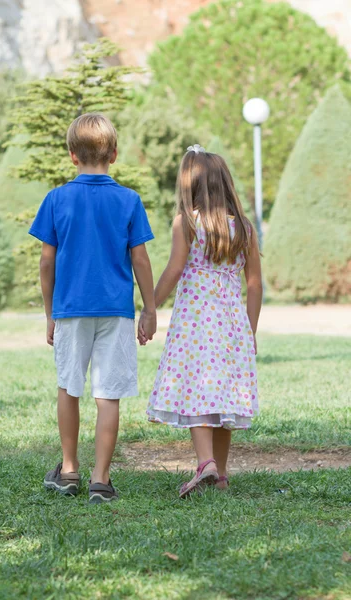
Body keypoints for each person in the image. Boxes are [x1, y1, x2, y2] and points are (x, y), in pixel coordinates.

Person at [29, 112, 156, 503]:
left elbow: (46, 262)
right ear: (114, 154)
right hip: (116, 311)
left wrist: (50, 313)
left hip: (70, 309)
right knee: (108, 394)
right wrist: (149, 309)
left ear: (72, 156)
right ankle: (101, 480)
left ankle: (69, 471)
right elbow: (141, 260)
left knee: (69, 387)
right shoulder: (129, 200)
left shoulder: (56, 198)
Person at [145, 144, 262, 498]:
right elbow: (254, 283)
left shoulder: (187, 222)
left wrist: (150, 306)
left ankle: (205, 464)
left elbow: (175, 269)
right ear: (225, 183)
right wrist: (251, 331)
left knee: (197, 390)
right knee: (222, 397)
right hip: (232, 325)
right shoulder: (243, 227)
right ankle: (221, 474)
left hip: (196, 322)